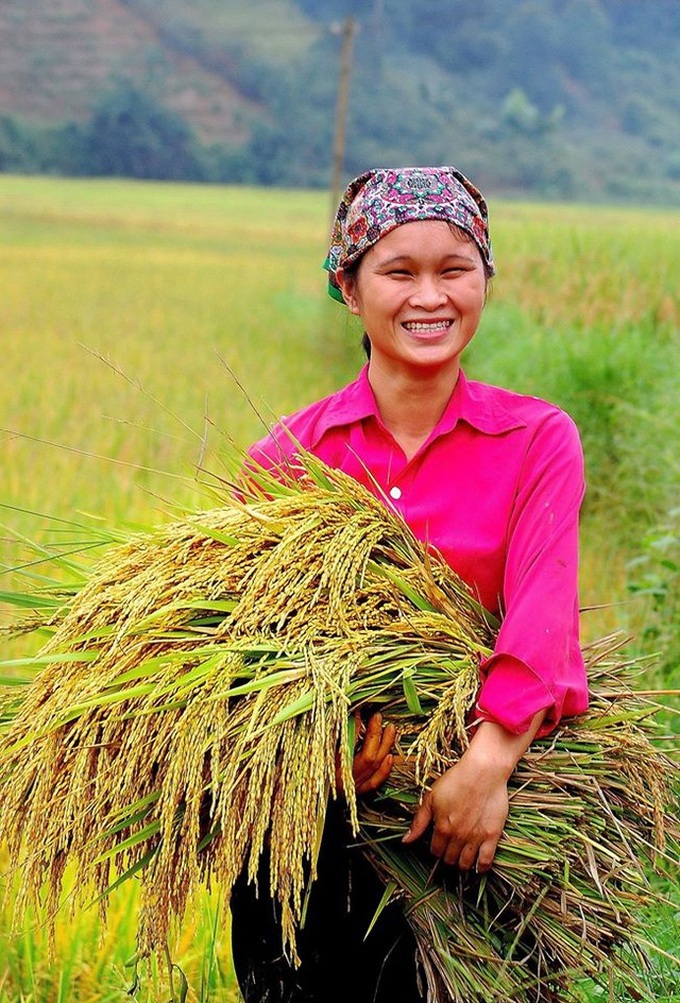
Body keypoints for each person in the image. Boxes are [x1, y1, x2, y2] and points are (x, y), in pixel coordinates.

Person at [229, 165, 589, 1002]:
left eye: (454, 268)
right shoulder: (288, 459)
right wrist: (322, 748)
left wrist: (486, 766)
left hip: (485, 836)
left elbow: (542, 617)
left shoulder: (536, 440)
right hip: (316, 843)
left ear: (483, 282)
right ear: (349, 289)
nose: (430, 296)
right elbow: (249, 656)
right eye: (398, 271)